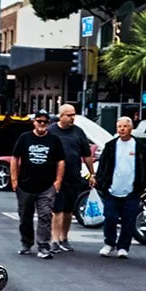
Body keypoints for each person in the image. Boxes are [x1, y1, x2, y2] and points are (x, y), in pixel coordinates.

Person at [93, 116, 146, 258]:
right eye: (119, 127)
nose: (122, 129)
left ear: (131, 128)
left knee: (129, 221)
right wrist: (101, 182)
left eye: (125, 126)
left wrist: (144, 184)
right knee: (110, 218)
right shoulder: (111, 145)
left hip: (131, 191)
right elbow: (103, 166)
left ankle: (123, 247)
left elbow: (145, 167)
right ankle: (109, 243)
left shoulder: (138, 146)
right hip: (112, 190)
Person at [11, 110, 64, 258]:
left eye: (45, 122)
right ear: (34, 122)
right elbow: (15, 158)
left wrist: (58, 181)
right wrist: (14, 179)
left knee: (45, 215)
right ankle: (26, 243)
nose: (42, 124)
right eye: (39, 121)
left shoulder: (54, 140)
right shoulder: (24, 138)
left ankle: (43, 246)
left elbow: (61, 161)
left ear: (48, 124)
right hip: (25, 185)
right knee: (25, 216)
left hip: (47, 186)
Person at [48, 104, 96, 253]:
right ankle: (54, 239)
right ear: (61, 116)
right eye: (69, 115)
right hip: (55, 177)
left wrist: (92, 173)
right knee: (57, 209)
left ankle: (64, 238)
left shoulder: (78, 132)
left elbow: (87, 155)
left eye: (73, 115)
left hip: (73, 175)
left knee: (69, 210)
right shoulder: (51, 131)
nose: (72, 118)